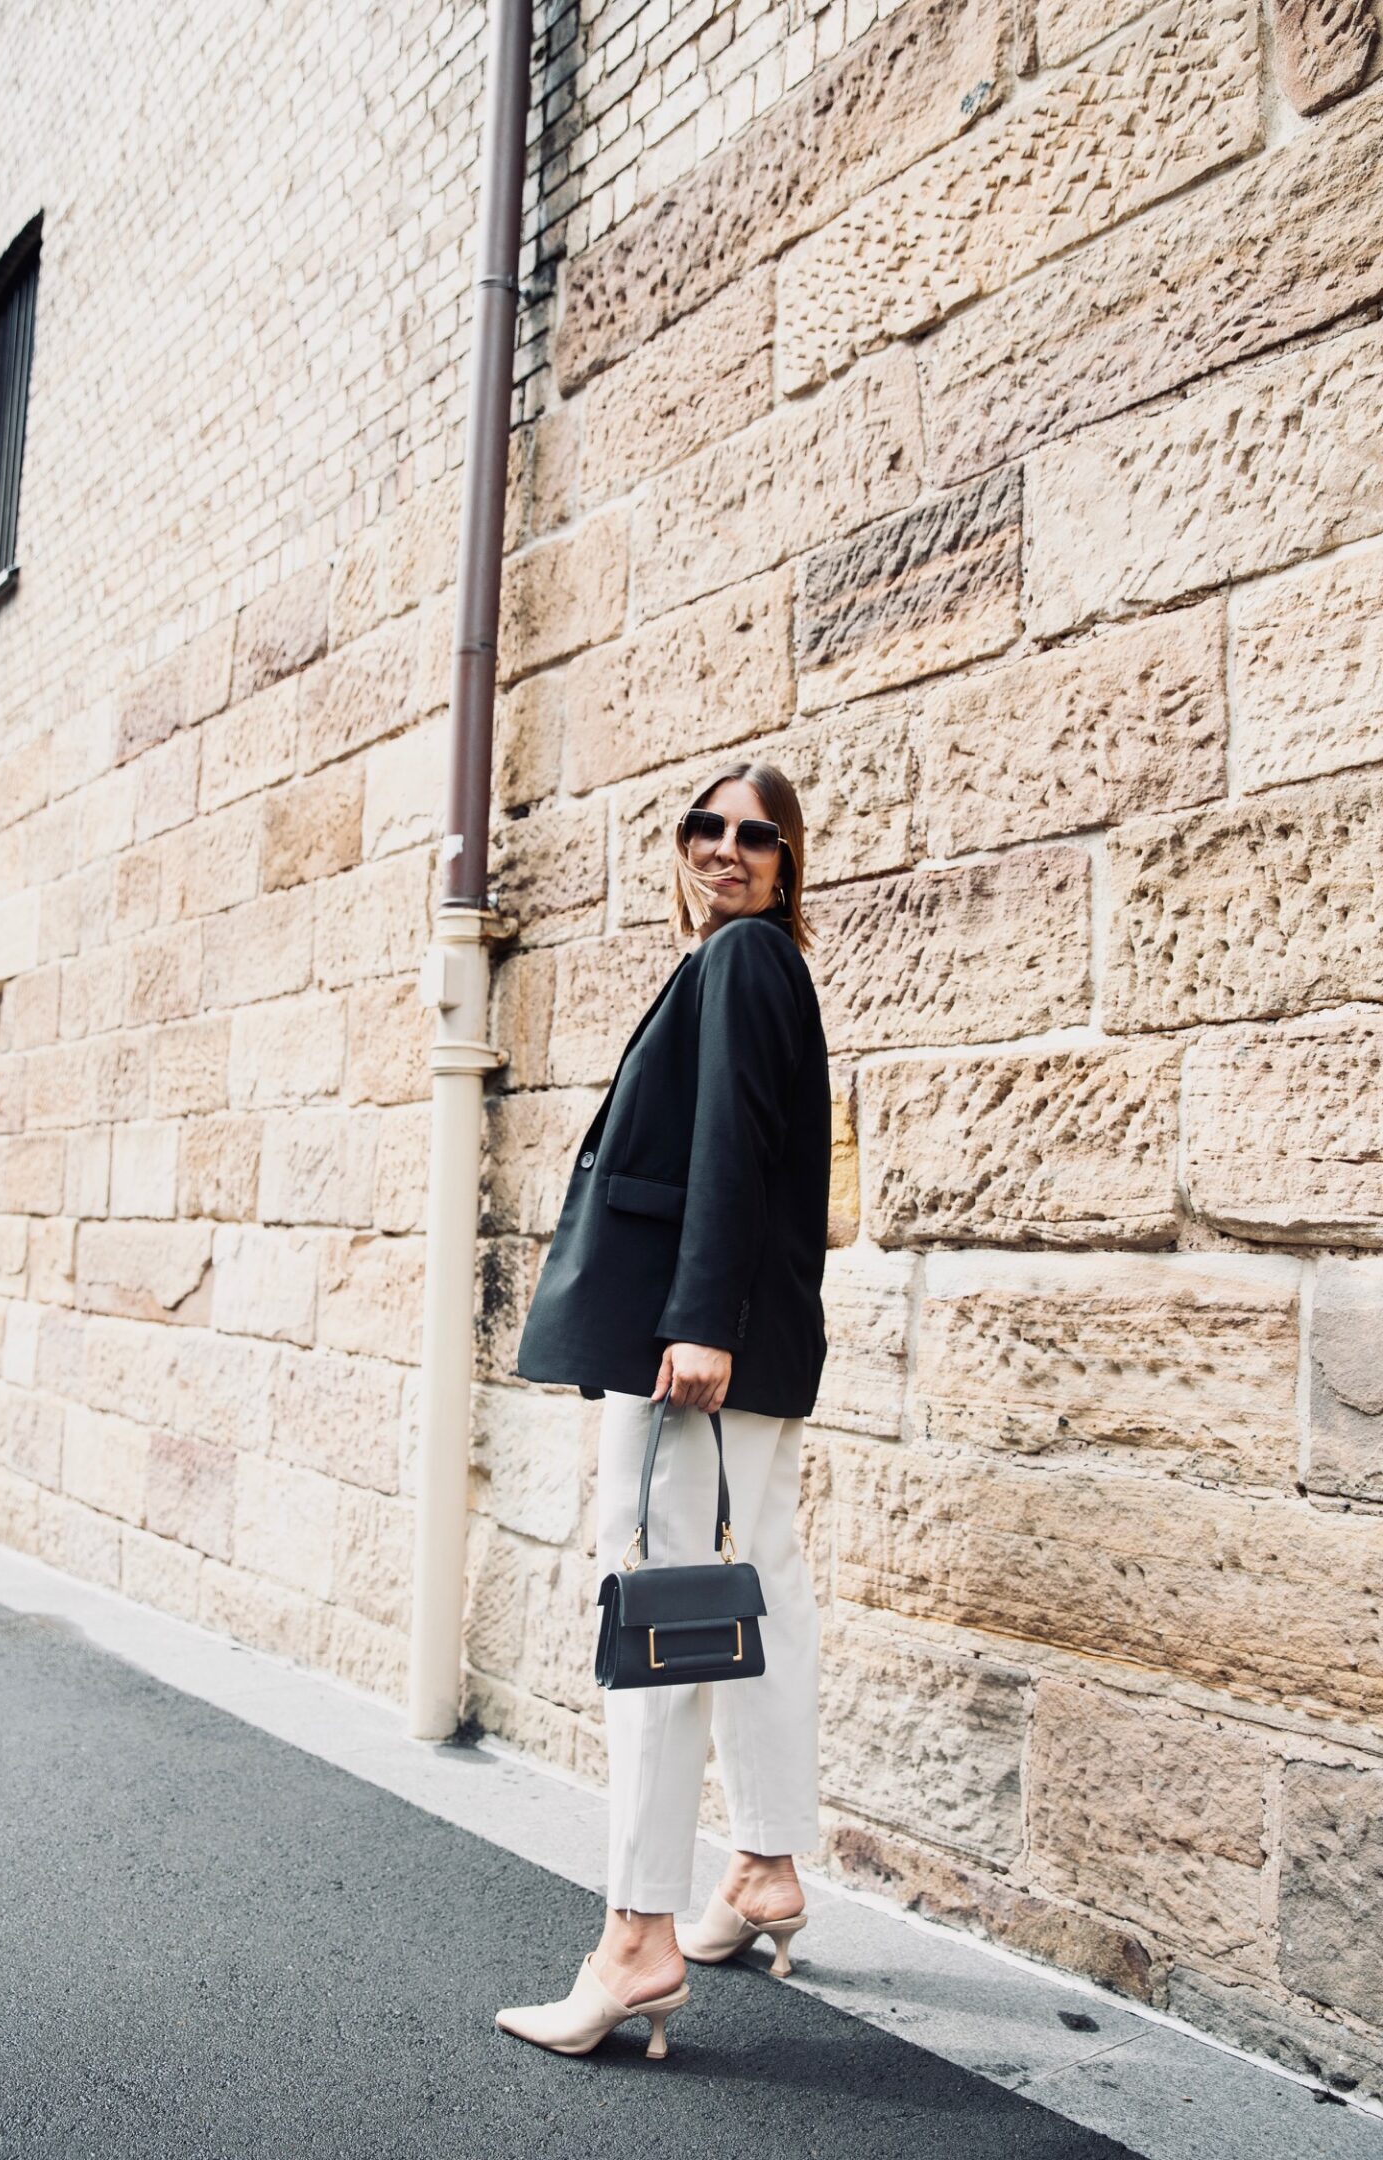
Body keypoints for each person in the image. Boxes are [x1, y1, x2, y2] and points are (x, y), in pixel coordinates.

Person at [495, 759, 832, 2061]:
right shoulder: (761, 970)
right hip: (753, 1353)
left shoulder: (744, 962)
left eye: (757, 834)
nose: (728, 848)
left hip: (693, 1353)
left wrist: (697, 1319)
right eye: (707, 827)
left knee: (655, 1622)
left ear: (787, 861)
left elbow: (728, 1154)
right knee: (753, 1596)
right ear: (680, 843)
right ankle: (760, 1865)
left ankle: (634, 1940)